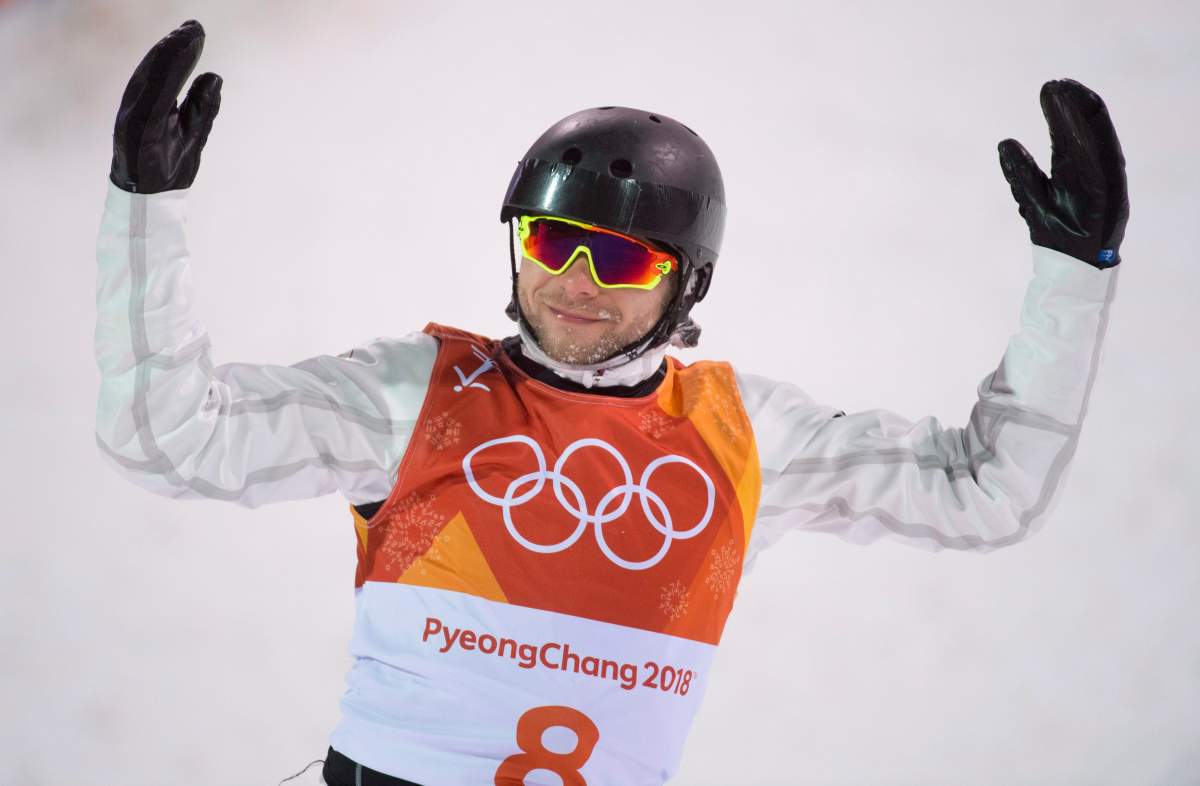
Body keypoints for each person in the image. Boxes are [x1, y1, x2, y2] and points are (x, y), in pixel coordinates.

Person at [94, 19, 1127, 786]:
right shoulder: (417, 394)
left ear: (688, 284)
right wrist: (145, 207)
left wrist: (1072, 277)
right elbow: (168, 439)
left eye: (624, 258)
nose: (576, 281)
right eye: (552, 240)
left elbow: (988, 492)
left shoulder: (747, 436)